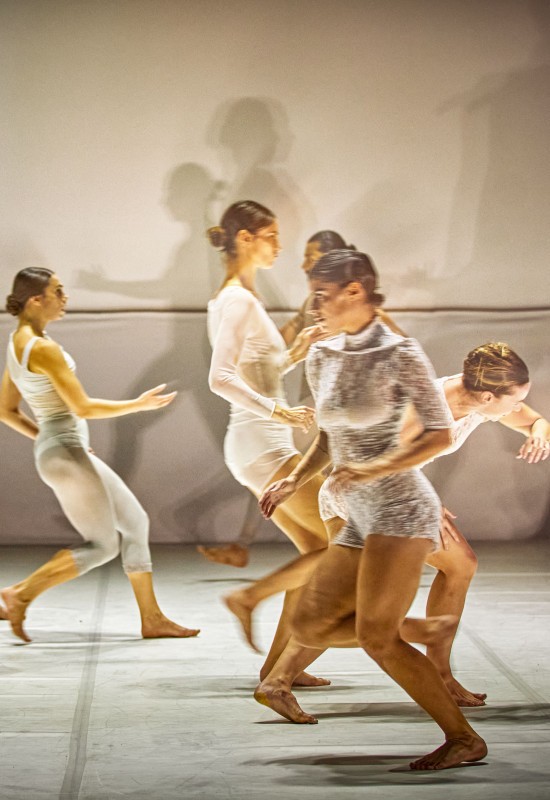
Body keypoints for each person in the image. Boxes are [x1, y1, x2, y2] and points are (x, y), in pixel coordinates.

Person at [255, 249, 488, 770]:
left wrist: (374, 468)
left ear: (355, 291)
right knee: (312, 625)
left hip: (401, 509)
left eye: (322, 294)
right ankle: (419, 629)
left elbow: (438, 434)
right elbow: (328, 436)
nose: (314, 305)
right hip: (357, 509)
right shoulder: (322, 355)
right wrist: (294, 478)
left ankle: (463, 739)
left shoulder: (401, 353)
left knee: (376, 640)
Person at [236, 342, 548, 712]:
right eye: (515, 400)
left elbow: (532, 420)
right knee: (350, 600)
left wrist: (539, 432)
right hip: (358, 495)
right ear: (487, 397)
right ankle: (277, 680)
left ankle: (438, 674)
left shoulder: (478, 400)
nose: (517, 407)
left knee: (459, 564)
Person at [0, 267, 199, 643]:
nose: (65, 298)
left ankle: (152, 619)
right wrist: (138, 405)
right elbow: (83, 407)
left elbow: (5, 410)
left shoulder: (19, 342)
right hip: (64, 452)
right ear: (36, 300)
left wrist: (48, 438)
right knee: (103, 545)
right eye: (58, 291)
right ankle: (21, 594)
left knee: (135, 523)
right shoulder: (42, 348)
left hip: (62, 449)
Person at [201, 201, 331, 684]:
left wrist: (295, 352)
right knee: (345, 542)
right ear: (245, 239)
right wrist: (280, 411)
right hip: (262, 443)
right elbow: (220, 378)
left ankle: (279, 668)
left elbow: (260, 370)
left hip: (259, 443)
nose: (279, 245)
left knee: (316, 547)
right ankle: (248, 598)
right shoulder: (237, 301)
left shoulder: (237, 299)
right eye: (271, 235)